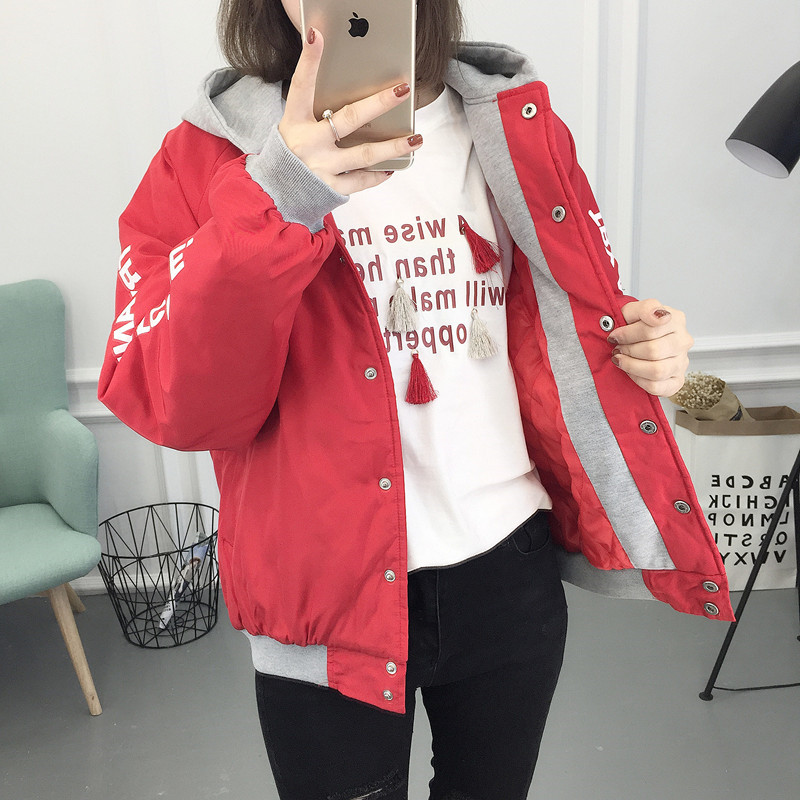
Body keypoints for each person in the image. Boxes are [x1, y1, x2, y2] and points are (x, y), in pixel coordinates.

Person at [99, 1, 734, 797]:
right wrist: (278, 191)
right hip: (324, 593)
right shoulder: (206, 157)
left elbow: (542, 317)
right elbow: (177, 401)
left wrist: (643, 345)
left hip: (508, 568)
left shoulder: (510, 121)